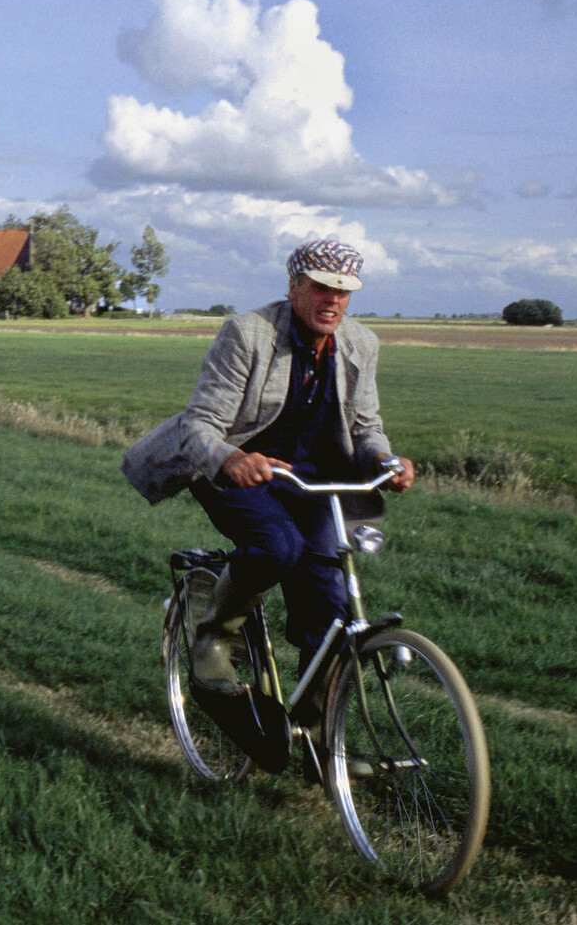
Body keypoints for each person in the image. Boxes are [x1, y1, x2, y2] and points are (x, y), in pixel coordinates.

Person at [122, 238, 414, 774]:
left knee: (328, 598)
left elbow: (367, 425)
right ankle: (214, 638)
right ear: (294, 287)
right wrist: (231, 458)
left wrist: (386, 459)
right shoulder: (249, 333)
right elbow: (199, 424)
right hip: (233, 469)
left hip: (310, 480)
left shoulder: (360, 344)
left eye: (344, 292)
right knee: (277, 546)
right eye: (322, 288)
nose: (333, 301)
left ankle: (323, 736)